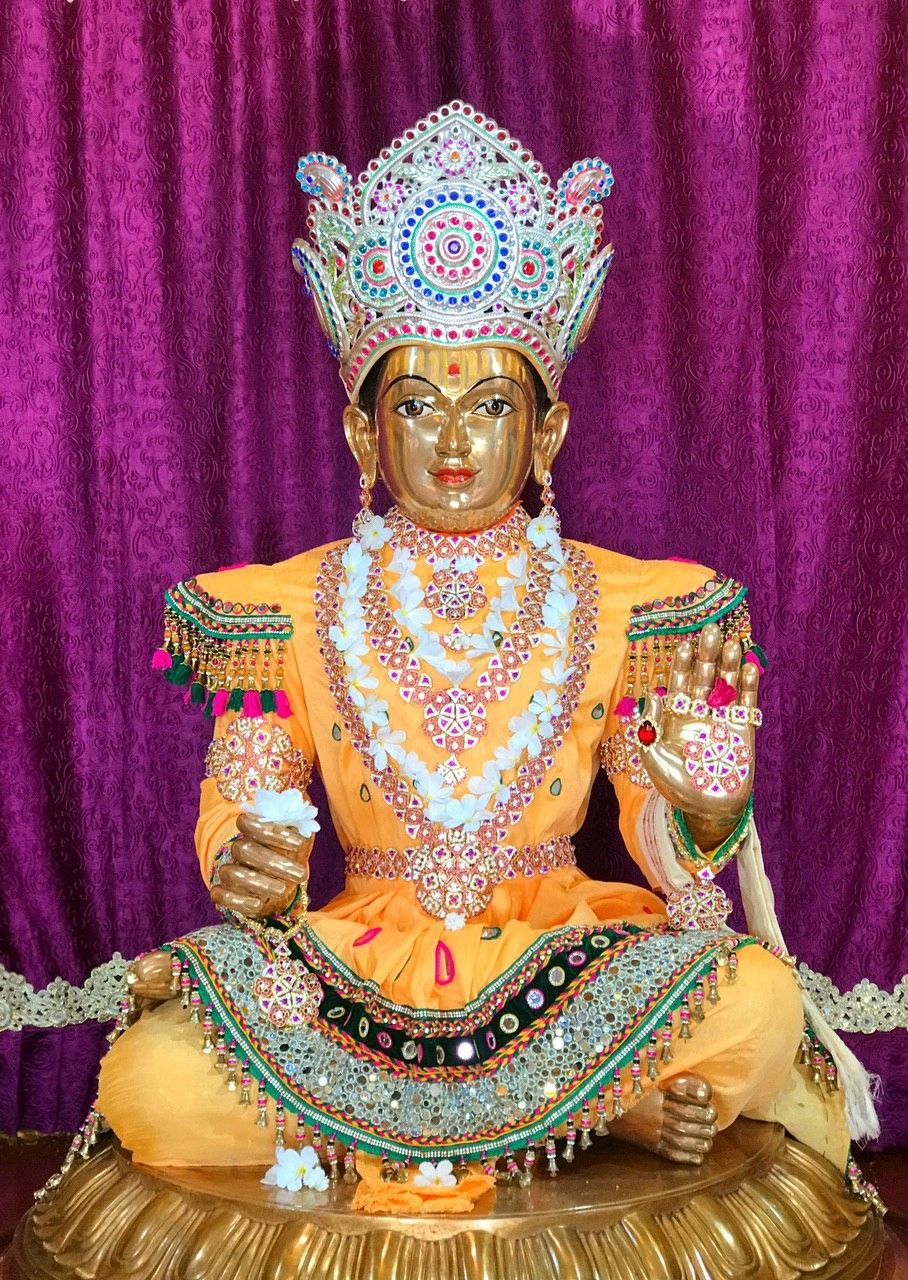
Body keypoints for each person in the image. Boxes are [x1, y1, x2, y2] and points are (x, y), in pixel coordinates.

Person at [97, 101, 874, 1185]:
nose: (454, 440)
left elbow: (669, 835)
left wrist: (697, 812)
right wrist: (244, 864)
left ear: (544, 431)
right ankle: (596, 1113)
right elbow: (245, 795)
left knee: (753, 999)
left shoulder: (627, 605)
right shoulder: (283, 610)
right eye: (416, 403)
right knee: (148, 1078)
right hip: (359, 960)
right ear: (363, 431)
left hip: (557, 950)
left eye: (491, 403)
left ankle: (399, 1126)